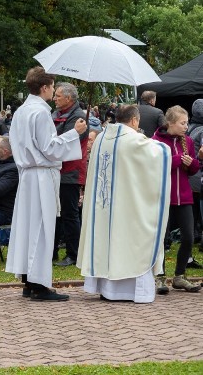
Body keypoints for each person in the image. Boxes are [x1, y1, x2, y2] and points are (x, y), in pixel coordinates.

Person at [5, 66, 87, 302]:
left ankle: (29, 281)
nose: (54, 91)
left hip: (28, 174)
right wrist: (75, 132)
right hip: (40, 173)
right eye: (52, 87)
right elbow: (49, 148)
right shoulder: (40, 112)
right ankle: (39, 284)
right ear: (44, 87)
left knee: (29, 227)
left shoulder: (22, 111)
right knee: (40, 228)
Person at [78, 104, 172, 302]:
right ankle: (131, 291)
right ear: (135, 120)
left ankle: (106, 289)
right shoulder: (134, 140)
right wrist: (164, 142)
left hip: (103, 206)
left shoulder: (102, 137)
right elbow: (160, 153)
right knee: (131, 241)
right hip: (126, 207)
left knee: (107, 242)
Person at [152, 106, 202, 293]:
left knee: (188, 237)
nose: (186, 126)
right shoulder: (155, 141)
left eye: (187, 122)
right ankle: (160, 278)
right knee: (162, 240)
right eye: (182, 123)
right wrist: (178, 159)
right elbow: (154, 165)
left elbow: (195, 168)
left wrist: (192, 163)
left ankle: (179, 276)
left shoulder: (187, 141)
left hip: (185, 197)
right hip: (163, 198)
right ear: (170, 123)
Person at [51, 82, 88, 267]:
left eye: (58, 96)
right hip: (56, 169)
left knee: (69, 213)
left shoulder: (79, 118)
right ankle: (52, 251)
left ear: (69, 98)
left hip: (70, 172)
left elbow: (64, 142)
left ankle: (73, 254)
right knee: (54, 213)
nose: (54, 98)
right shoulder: (56, 114)